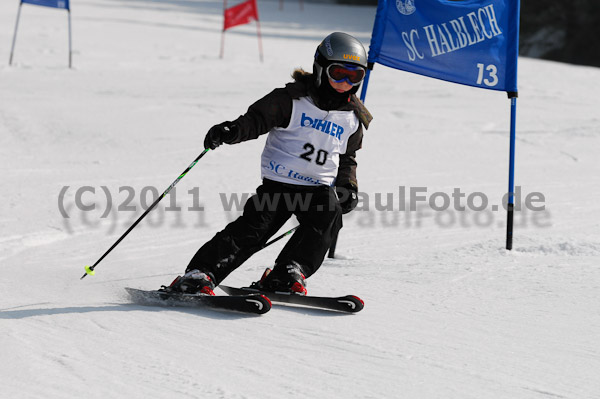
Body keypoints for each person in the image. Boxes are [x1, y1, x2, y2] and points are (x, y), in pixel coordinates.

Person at [163, 32, 372, 296]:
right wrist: (232, 130)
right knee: (253, 230)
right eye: (338, 72)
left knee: (327, 219)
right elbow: (255, 121)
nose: (344, 82)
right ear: (320, 67)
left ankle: (288, 272)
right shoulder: (290, 99)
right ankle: (200, 274)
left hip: (317, 188)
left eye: (354, 76)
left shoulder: (352, 117)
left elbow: (346, 156)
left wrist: (348, 185)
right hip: (279, 185)